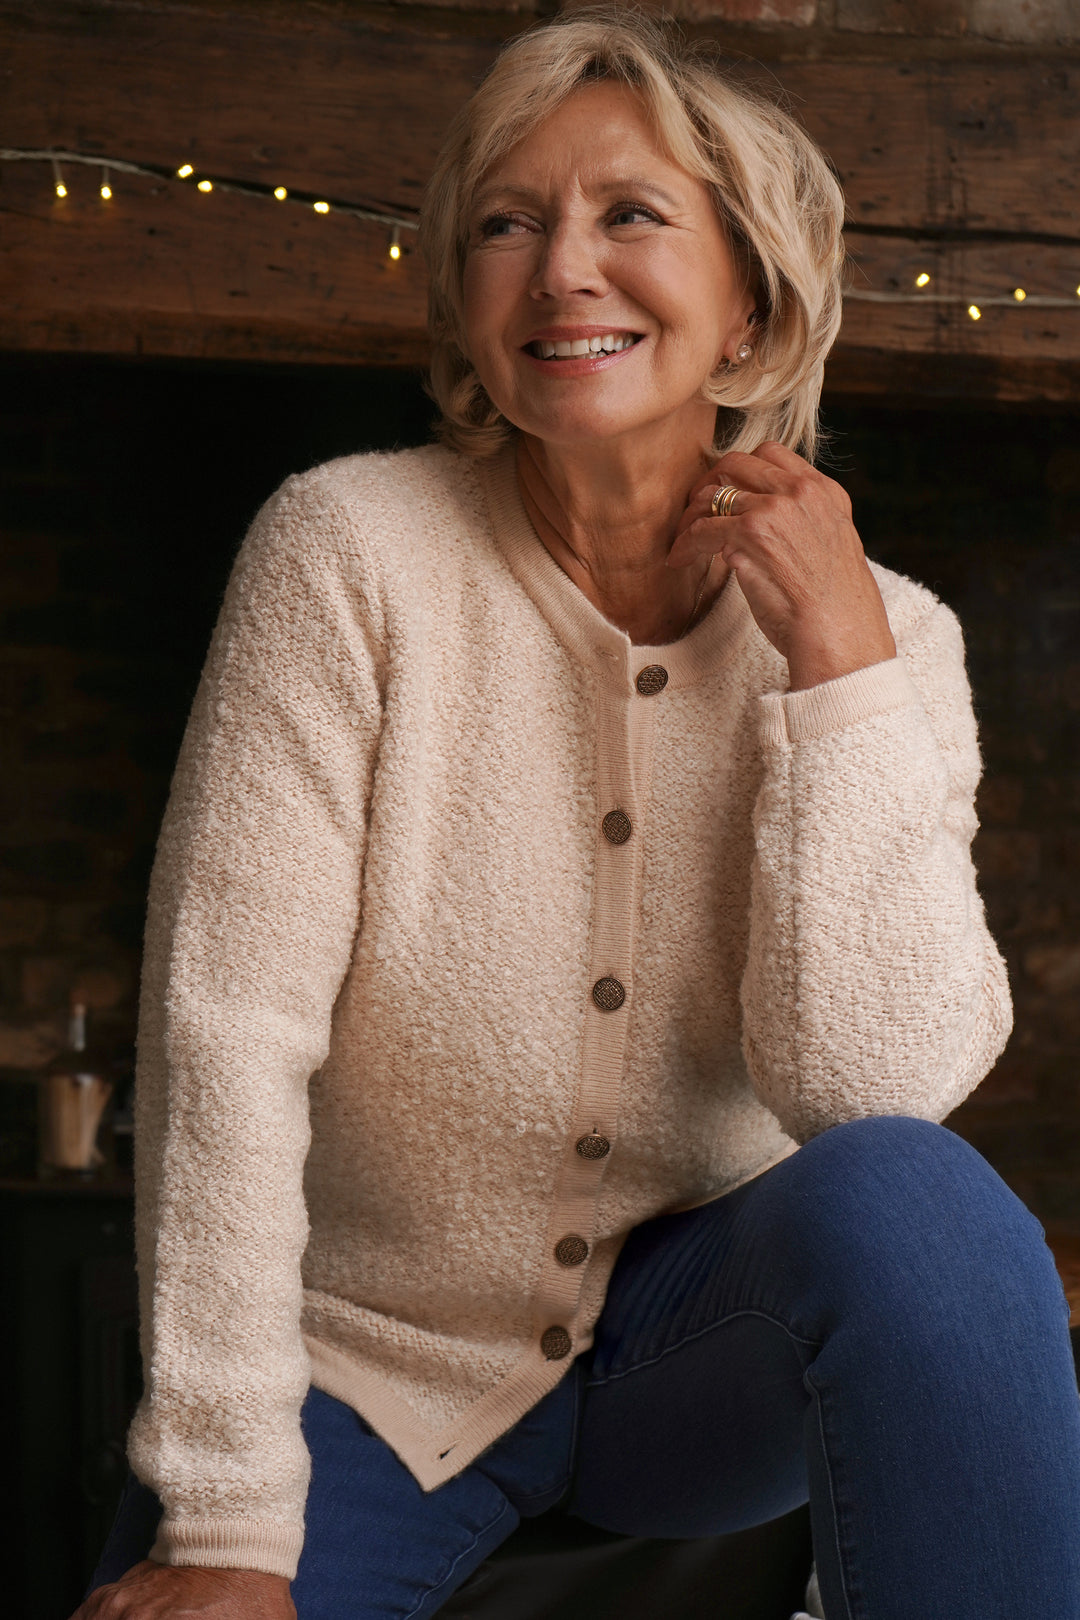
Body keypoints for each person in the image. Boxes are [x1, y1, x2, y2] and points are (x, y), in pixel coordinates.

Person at [75, 9, 1080, 1619]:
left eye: (630, 215)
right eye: (506, 225)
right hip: (369, 1369)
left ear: (750, 305)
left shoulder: (893, 635)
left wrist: (838, 671)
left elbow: (871, 1092)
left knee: (931, 1208)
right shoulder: (346, 552)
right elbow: (228, 1043)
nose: (561, 272)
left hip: (691, 1354)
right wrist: (225, 1517)